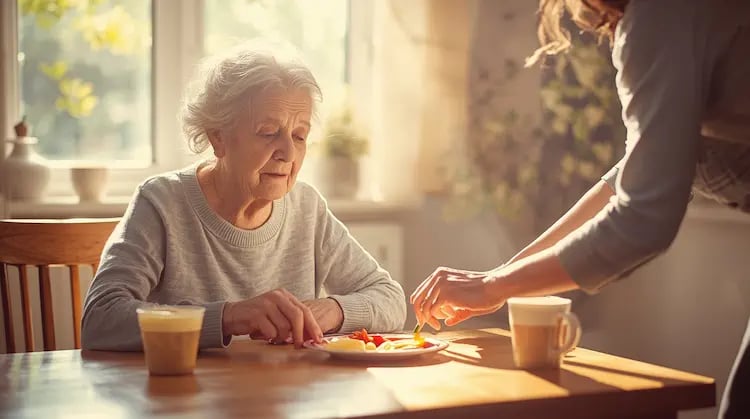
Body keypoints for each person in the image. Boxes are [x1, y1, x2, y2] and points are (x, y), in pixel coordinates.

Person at [410, 1, 749, 417]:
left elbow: (641, 219)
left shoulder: (658, 18)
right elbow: (634, 175)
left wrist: (495, 286)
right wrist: (495, 280)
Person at [81, 43, 406, 352]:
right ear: (219, 138)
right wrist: (227, 317)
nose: (288, 153)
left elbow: (391, 299)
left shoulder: (307, 208)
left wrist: (332, 310)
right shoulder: (162, 202)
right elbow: (100, 319)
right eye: (268, 133)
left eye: (299, 135)